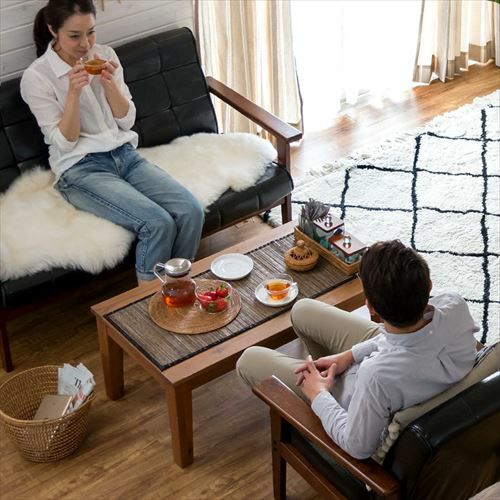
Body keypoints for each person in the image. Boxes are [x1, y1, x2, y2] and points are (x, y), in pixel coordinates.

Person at [237, 240, 478, 459]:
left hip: (355, 399)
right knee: (302, 309)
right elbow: (405, 338)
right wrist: (349, 355)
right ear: (429, 286)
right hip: (391, 353)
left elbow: (357, 446)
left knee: (248, 360)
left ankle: (312, 400)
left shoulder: (376, 378)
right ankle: (325, 373)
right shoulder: (454, 305)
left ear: (370, 308)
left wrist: (318, 394)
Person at [21, 0, 204, 284]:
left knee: (191, 211)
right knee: (157, 223)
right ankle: (151, 300)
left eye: (91, 32)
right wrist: (73, 93)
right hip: (80, 169)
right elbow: (65, 143)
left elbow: (126, 121)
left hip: (125, 156)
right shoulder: (37, 77)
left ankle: (177, 288)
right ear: (53, 31)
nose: (85, 44)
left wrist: (109, 85)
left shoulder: (105, 55)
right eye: (74, 35)